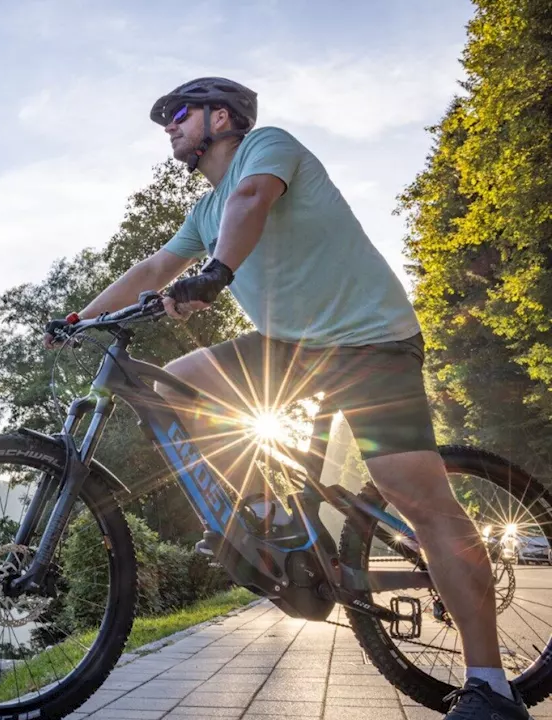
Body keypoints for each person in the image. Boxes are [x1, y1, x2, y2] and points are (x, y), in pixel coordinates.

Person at [43, 76, 526, 720]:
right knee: (174, 383)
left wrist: (217, 272)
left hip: (369, 341)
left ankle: (491, 686)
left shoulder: (266, 147)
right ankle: (267, 513)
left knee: (418, 497)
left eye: (180, 114)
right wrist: (77, 319)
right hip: (292, 344)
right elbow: (153, 268)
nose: (170, 127)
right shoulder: (203, 212)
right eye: (167, 120)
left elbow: (252, 199)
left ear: (223, 118)